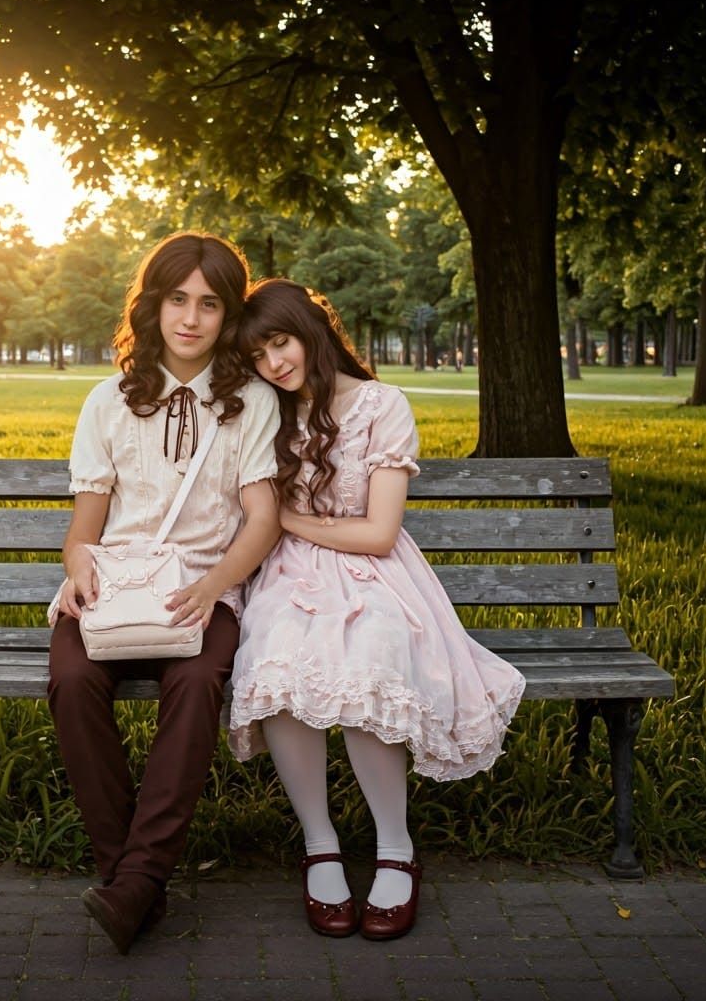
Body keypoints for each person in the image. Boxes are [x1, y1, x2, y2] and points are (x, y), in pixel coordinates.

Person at [228, 279, 526, 941]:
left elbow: (380, 533)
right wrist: (284, 528)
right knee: (280, 661)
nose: (273, 364)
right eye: (257, 357)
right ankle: (320, 845)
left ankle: (396, 846)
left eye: (280, 343)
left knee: (372, 657)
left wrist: (289, 520)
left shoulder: (381, 405)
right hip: (289, 573)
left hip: (376, 571)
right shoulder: (265, 413)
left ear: (312, 330)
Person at [46, 232, 280, 954]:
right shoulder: (108, 401)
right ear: (153, 305)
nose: (190, 317)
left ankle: (135, 882)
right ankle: (132, 882)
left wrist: (213, 586)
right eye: (177, 299)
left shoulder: (251, 401)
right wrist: (79, 568)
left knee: (199, 680)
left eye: (209, 304)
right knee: (72, 680)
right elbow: (84, 529)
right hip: (115, 590)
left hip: (203, 593)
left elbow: (263, 517)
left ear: (228, 314)